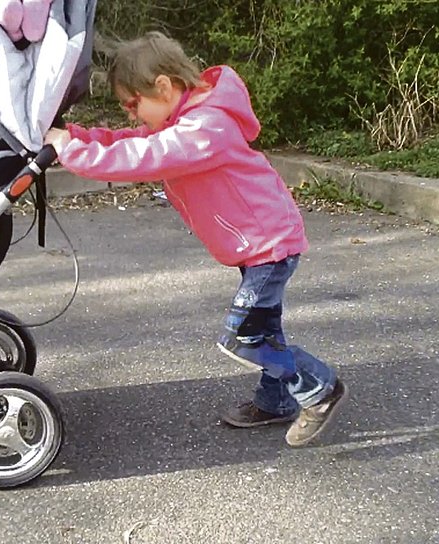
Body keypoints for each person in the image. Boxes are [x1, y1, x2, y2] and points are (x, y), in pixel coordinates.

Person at [43, 31, 348, 447]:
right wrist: (75, 136)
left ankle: (319, 388)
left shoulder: (205, 127)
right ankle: (276, 402)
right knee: (266, 331)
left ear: (164, 87)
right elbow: (132, 141)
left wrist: (70, 152)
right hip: (256, 246)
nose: (132, 116)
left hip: (268, 246)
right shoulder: (184, 121)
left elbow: (145, 157)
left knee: (243, 336)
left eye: (133, 104)